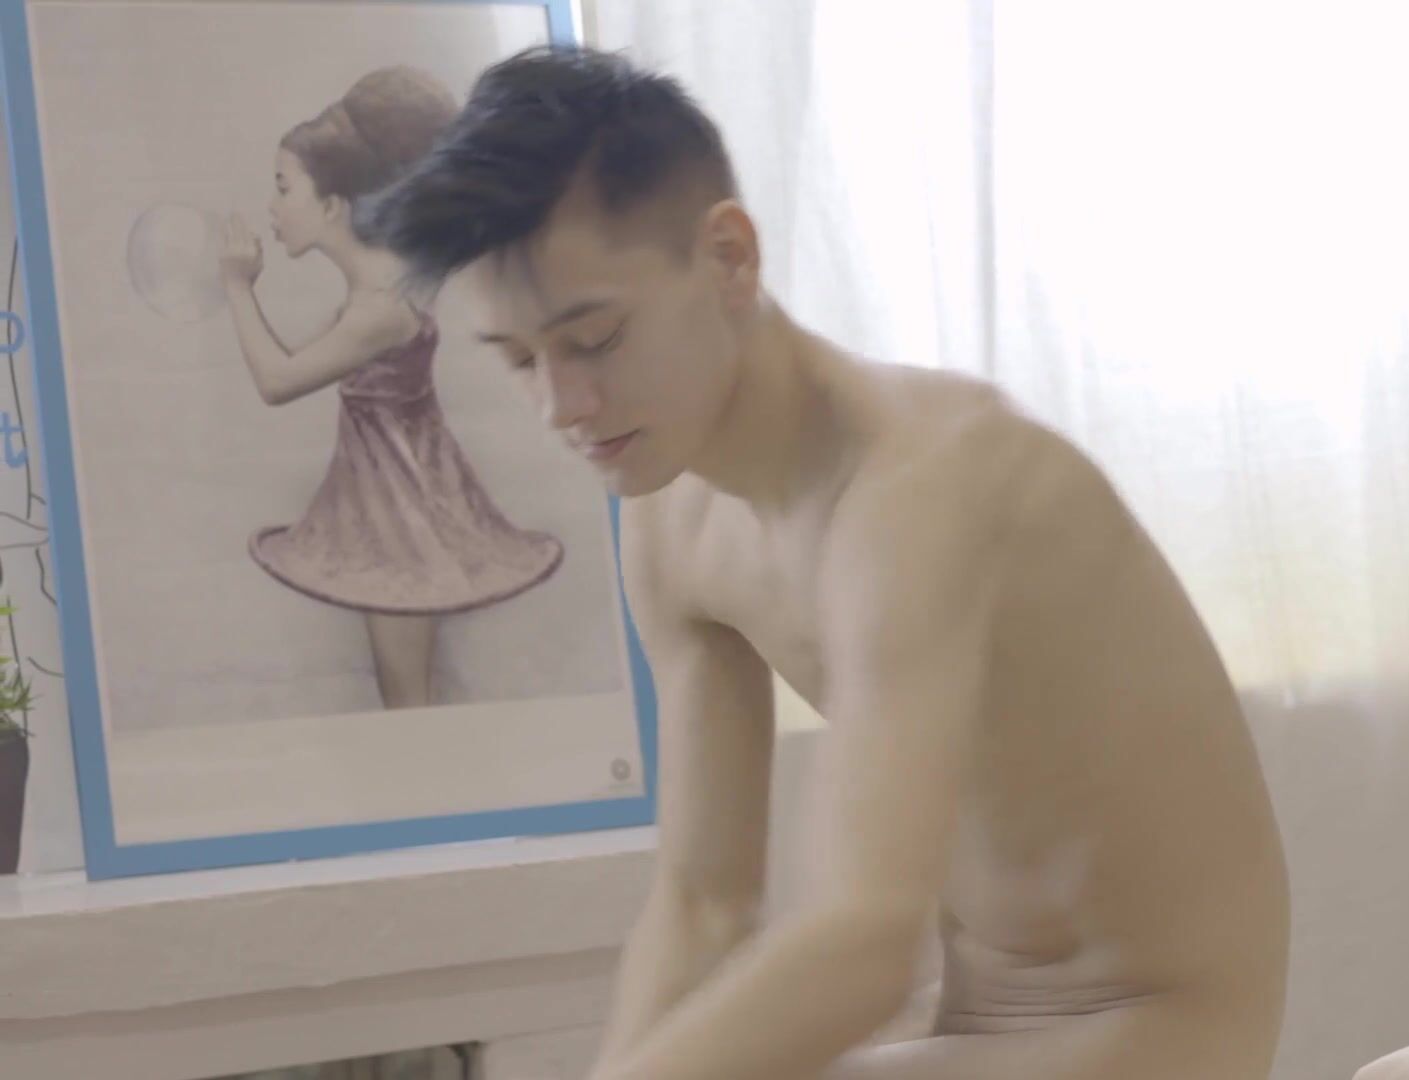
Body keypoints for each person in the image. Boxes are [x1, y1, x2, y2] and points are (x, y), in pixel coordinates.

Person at [361, 45, 1289, 1079]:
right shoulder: (670, 520)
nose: (560, 407)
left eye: (595, 340)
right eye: (519, 360)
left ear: (729, 257)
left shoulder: (925, 487)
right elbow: (704, 905)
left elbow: (864, 944)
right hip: (980, 1023)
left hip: (1159, 1031)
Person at [218, 66, 564, 710]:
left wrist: (237, 287)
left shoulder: (378, 308)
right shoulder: (384, 284)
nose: (273, 207)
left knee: (405, 695)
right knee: (401, 691)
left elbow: (277, 381)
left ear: (332, 206)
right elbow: (302, 363)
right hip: (388, 503)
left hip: (403, 513)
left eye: (284, 188)